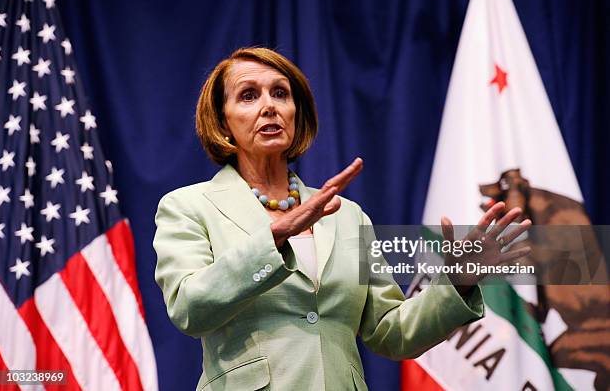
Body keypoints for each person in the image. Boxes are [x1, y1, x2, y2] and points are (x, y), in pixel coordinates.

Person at [153, 47, 532, 390]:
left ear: (295, 112)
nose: (269, 106)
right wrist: (275, 236)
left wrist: (457, 282)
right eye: (248, 95)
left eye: (280, 93)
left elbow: (391, 332)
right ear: (222, 121)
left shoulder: (346, 215)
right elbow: (190, 308)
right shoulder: (189, 206)